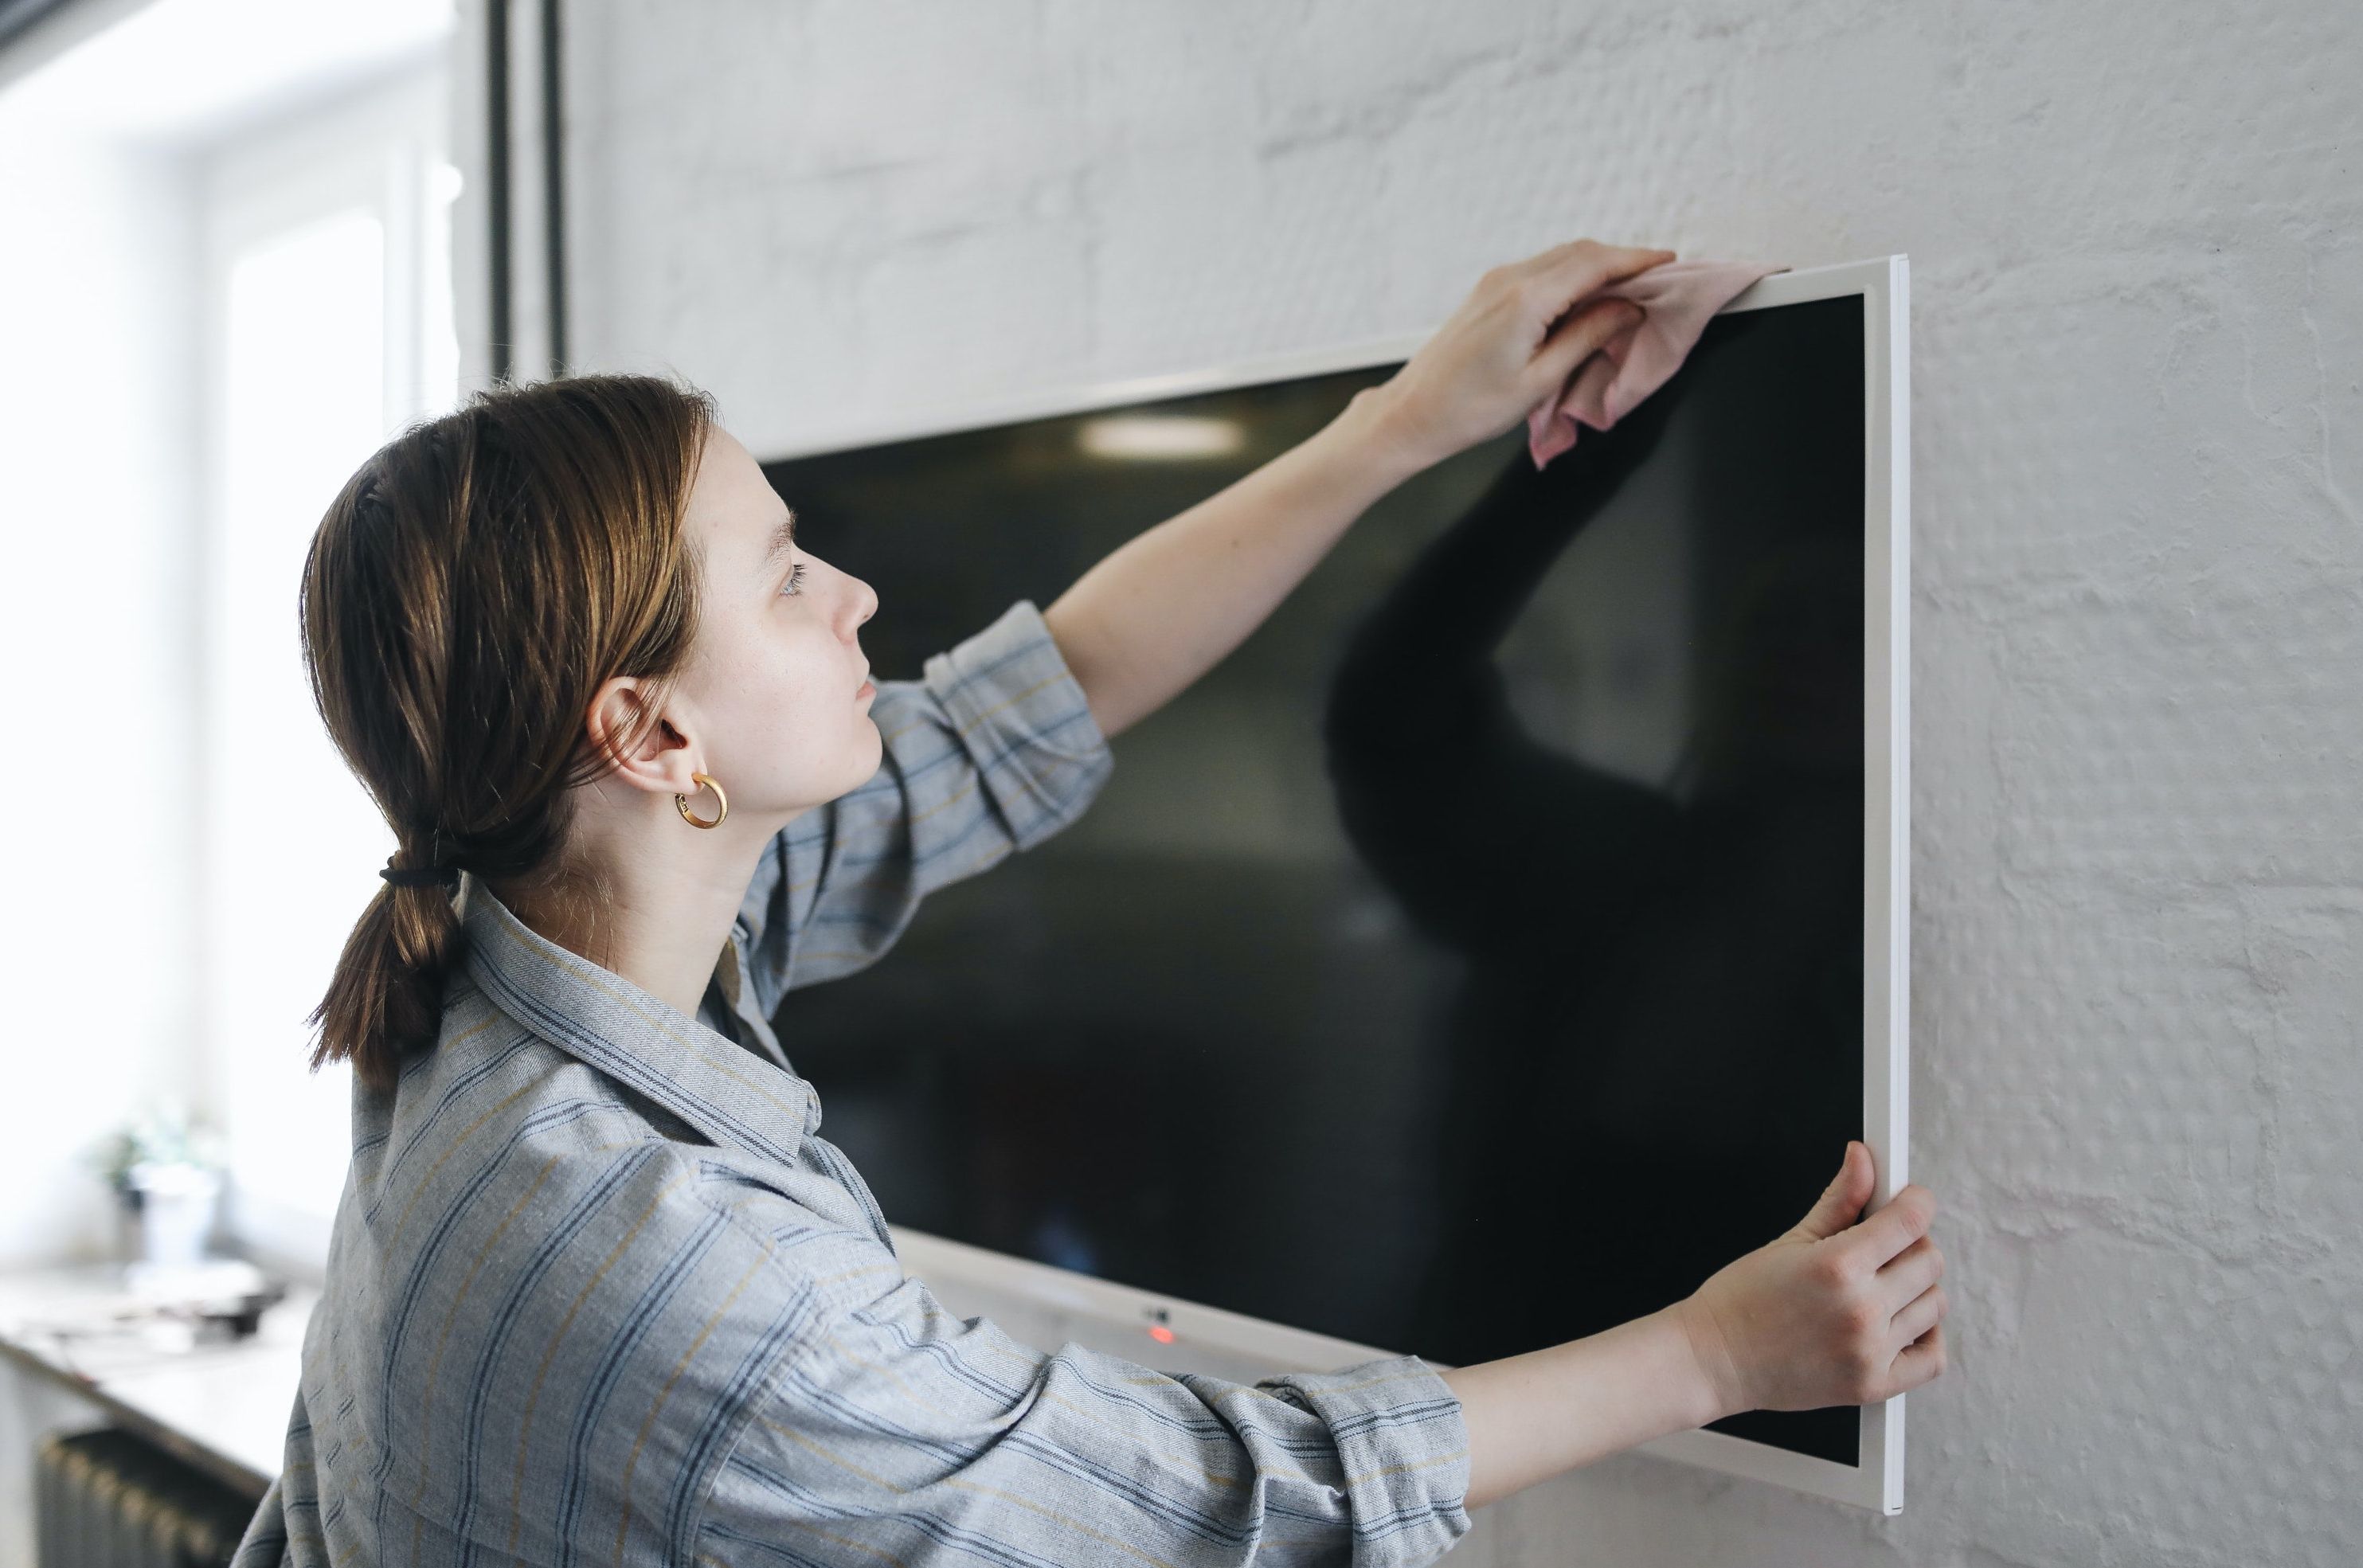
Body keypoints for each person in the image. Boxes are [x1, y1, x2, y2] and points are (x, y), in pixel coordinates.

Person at [230, 239, 1944, 1568]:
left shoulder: (508, 956)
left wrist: (1409, 419)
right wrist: (1718, 1356)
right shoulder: (690, 1279)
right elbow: (1203, 1501)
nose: (856, 595)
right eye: (784, 574)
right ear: (651, 730)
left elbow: (1037, 699)